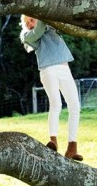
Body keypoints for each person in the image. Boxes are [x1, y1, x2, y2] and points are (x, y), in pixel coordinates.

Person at [19, 15, 83, 161]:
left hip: (64, 68)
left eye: (31, 20)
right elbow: (39, 29)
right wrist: (42, 14)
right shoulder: (28, 36)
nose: (29, 24)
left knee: (75, 106)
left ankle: (72, 147)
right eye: (26, 22)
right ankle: (53, 140)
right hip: (48, 70)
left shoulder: (52, 27)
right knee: (56, 104)